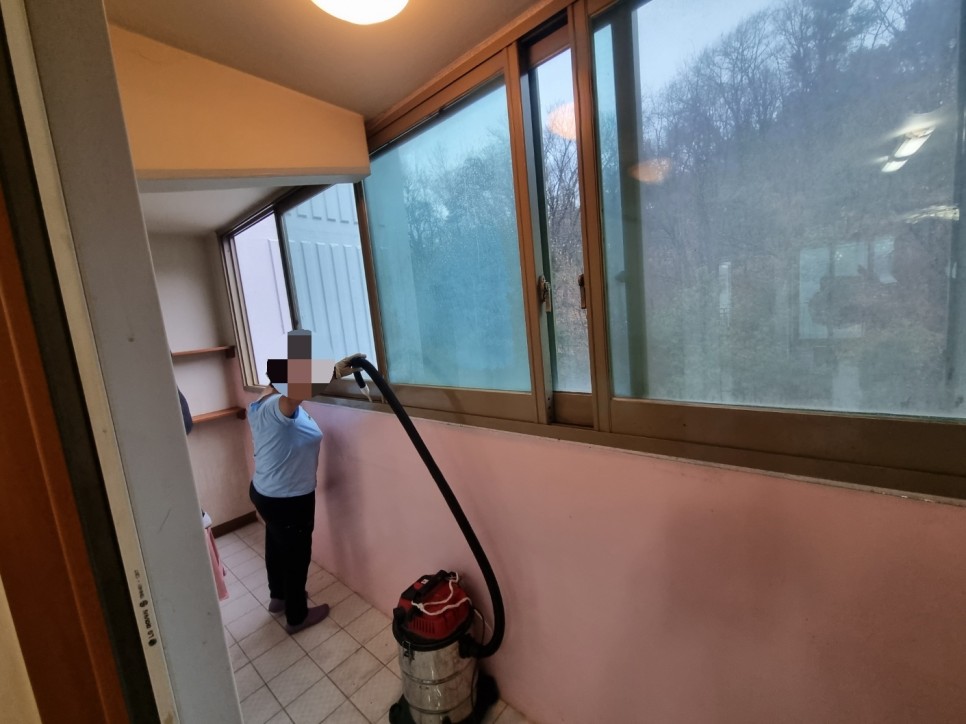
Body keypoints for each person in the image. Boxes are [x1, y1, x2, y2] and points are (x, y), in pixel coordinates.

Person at [247, 351, 329, 634]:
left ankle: (279, 597)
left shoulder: (261, 400)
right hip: (288, 499)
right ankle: (297, 616)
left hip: (266, 492)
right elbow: (294, 396)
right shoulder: (277, 406)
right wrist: (331, 371)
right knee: (296, 556)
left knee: (276, 544)